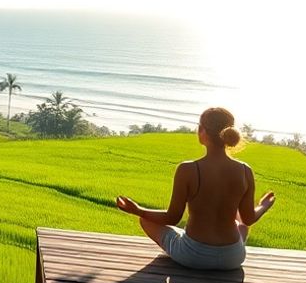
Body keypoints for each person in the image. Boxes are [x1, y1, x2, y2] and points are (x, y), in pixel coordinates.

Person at [115, 107, 275, 270]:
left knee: (146, 220)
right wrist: (264, 206)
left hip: (193, 255)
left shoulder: (188, 169)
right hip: (232, 258)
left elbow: (172, 218)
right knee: (241, 226)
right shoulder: (244, 170)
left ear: (202, 131)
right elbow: (248, 219)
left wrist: (137, 210)